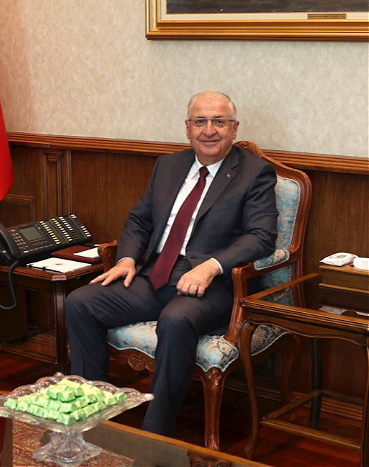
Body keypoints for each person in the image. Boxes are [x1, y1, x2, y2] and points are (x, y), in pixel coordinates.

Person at [66, 90, 278, 437]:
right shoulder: (168, 165)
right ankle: (94, 414)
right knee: (81, 302)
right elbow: (139, 221)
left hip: (212, 284)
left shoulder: (255, 173)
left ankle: (157, 432)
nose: (209, 130)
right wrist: (127, 258)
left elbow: (261, 236)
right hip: (155, 275)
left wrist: (211, 266)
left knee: (176, 320)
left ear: (234, 128)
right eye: (200, 121)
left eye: (219, 121)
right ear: (187, 127)